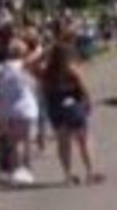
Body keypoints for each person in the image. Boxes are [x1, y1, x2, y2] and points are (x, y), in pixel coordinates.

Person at [41, 42, 104, 186]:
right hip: (73, 107)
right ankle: (90, 172)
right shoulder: (71, 69)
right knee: (83, 140)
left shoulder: (47, 71)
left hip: (55, 107)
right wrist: (88, 103)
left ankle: (67, 175)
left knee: (63, 143)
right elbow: (83, 87)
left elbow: (44, 89)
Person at [0, 38, 40, 185]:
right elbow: (40, 54)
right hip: (26, 109)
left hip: (5, 110)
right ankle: (26, 170)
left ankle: (14, 172)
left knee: (12, 144)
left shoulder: (0, 68)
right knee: (26, 142)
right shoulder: (24, 65)